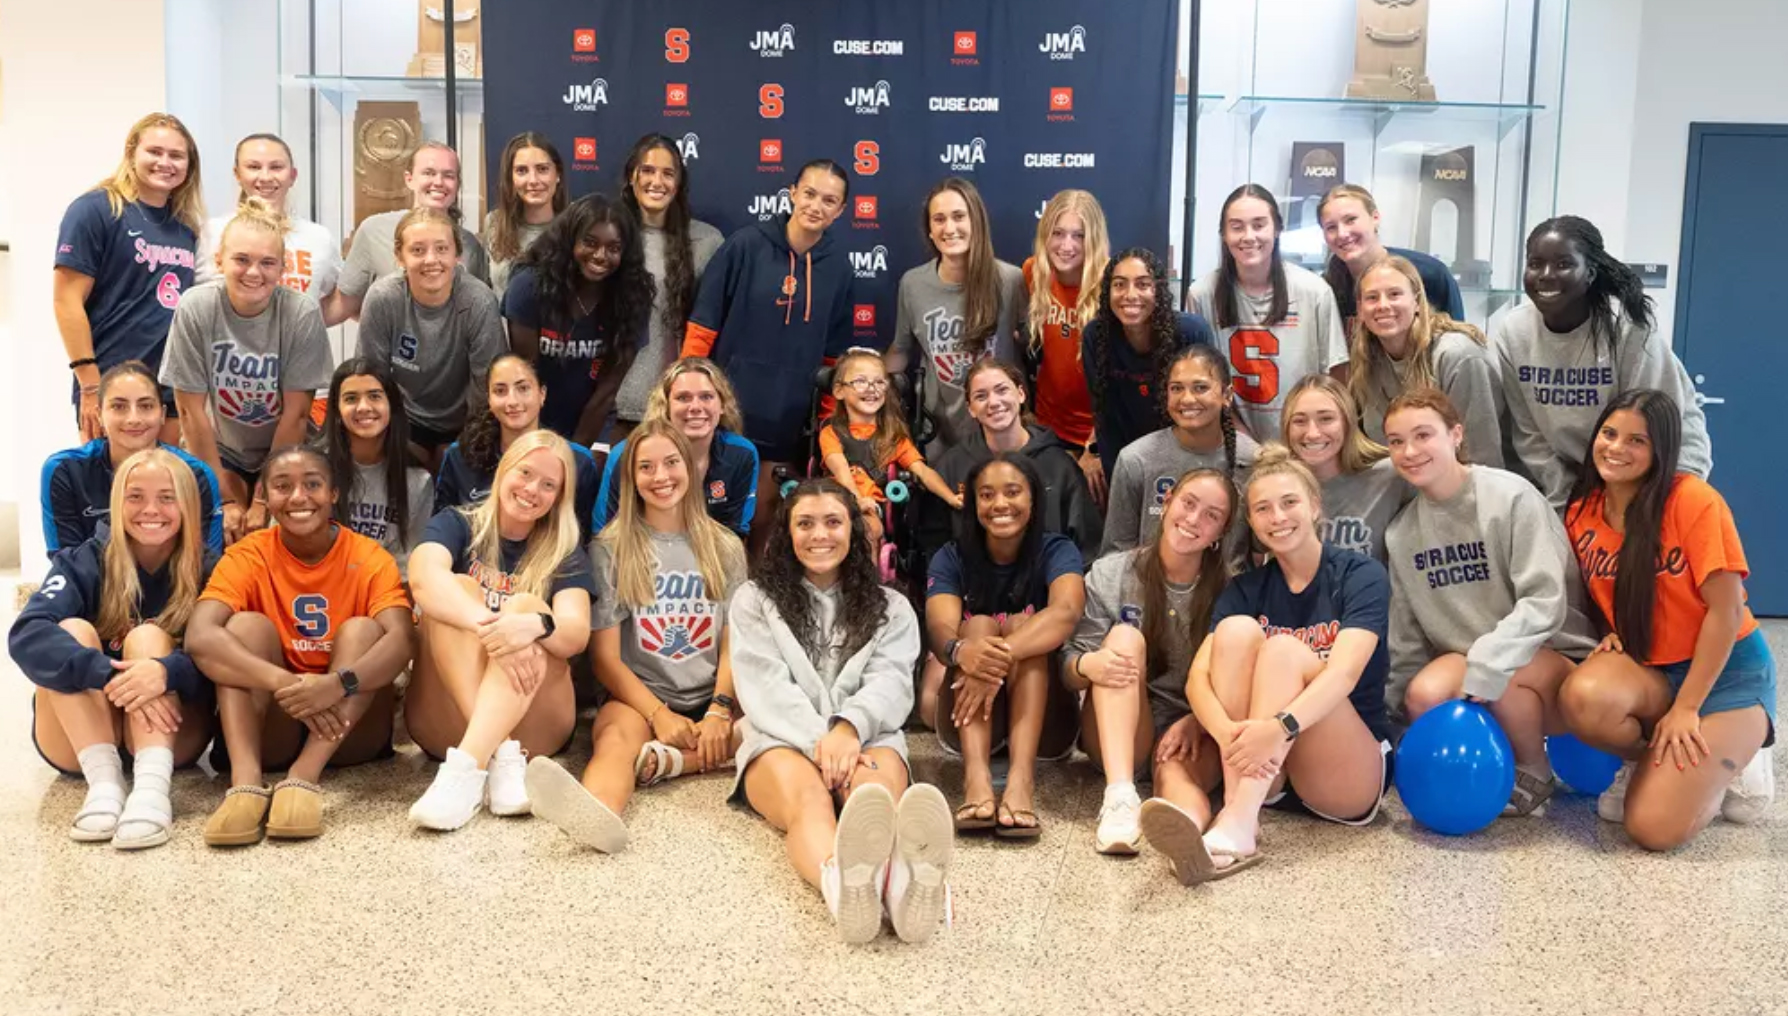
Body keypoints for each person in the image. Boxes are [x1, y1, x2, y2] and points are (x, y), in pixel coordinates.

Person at [728, 478, 955, 945]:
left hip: (868, 737)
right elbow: (764, 687)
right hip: (781, 739)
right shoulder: (754, 600)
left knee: (872, 797)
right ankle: (844, 888)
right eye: (805, 524)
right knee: (809, 800)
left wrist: (849, 728)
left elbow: (891, 682)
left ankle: (897, 891)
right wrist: (821, 740)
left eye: (833, 522)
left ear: (853, 531)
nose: (819, 535)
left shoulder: (892, 606)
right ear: (786, 534)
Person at [1560, 389, 1775, 850]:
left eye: (1637, 441)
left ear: (1661, 451)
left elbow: (1727, 609)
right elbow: (1598, 592)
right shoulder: (1581, 514)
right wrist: (1610, 633)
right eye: (1610, 433)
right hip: (1653, 669)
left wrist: (1688, 709)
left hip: (1725, 675)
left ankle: (1743, 757)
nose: (1617, 448)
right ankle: (1650, 761)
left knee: (1651, 830)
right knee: (1583, 697)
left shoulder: (1694, 501)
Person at [524, 422, 747, 852]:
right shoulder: (610, 547)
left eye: (670, 463)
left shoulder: (726, 547)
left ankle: (674, 762)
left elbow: (732, 641)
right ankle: (594, 813)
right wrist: (659, 714)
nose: (660, 476)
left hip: (713, 696)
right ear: (630, 478)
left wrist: (720, 708)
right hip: (639, 696)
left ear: (692, 468)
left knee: (772, 730)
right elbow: (606, 659)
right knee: (613, 742)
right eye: (646, 467)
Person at [1178, 444, 1394, 879]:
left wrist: (1278, 729)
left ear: (1314, 506)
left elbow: (1345, 673)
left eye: (1289, 502)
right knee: (1238, 631)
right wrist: (1231, 736)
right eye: (1263, 509)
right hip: (1266, 774)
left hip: (1345, 773)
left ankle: (1237, 821)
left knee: (1284, 651)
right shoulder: (1245, 590)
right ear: (1253, 524)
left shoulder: (1360, 575)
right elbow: (1196, 681)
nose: (1278, 517)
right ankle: (1245, 814)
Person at [185, 446, 414, 846]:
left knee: (363, 629)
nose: (298, 497)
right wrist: (285, 682)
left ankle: (303, 778)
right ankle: (245, 784)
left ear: (334, 494)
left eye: (312, 484)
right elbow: (199, 636)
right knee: (244, 627)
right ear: (266, 497)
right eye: (282, 486)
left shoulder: (369, 556)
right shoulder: (247, 555)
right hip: (273, 722)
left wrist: (336, 684)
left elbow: (402, 640)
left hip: (347, 728)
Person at [1383, 389, 1597, 817]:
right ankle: (1482, 777)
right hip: (1470, 656)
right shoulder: (1401, 532)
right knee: (1423, 694)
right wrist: (1395, 723)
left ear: (1456, 434)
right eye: (1395, 441)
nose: (1409, 451)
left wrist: (1489, 661)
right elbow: (1405, 637)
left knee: (1505, 672)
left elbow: (1544, 602)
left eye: (1423, 435)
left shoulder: (1511, 497)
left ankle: (1534, 770)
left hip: (1548, 655)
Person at [10, 449, 218, 849]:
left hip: (172, 741)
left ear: (189, 505)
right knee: (70, 629)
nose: (150, 509)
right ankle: (104, 784)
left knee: (149, 639)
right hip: (80, 741)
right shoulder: (83, 561)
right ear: (116, 502)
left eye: (167, 497)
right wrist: (107, 672)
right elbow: (27, 634)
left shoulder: (210, 569)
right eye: (135, 496)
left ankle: (152, 792)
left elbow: (230, 654)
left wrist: (166, 672)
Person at [405, 431, 595, 831]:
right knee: (456, 590)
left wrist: (530, 626)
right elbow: (422, 579)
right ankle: (497, 755)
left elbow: (576, 633)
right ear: (504, 470)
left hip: (536, 731)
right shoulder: (457, 523)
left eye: (548, 485)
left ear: (559, 498)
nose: (532, 490)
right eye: (525, 473)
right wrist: (494, 629)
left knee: (529, 608)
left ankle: (464, 771)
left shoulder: (564, 549)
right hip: (444, 721)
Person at [681, 158, 855, 554]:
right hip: (727, 411)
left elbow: (834, 357)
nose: (816, 206)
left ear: (841, 210)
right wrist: (687, 390)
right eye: (809, 194)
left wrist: (827, 414)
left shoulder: (839, 269)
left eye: (829, 200)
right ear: (792, 193)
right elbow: (703, 325)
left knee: (766, 521)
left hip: (790, 419)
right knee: (712, 516)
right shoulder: (745, 245)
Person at [1068, 468, 1235, 859]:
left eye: (1211, 515)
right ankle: (1120, 798)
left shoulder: (1231, 588)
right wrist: (1086, 666)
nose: (1194, 520)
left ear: (1222, 532)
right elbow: (1068, 663)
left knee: (1176, 778)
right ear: (1167, 501)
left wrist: (1199, 716)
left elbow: (1234, 677)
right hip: (1120, 725)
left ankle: (1190, 841)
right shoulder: (1112, 573)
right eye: (1188, 503)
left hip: (1192, 731)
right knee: (1124, 637)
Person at [1495, 215, 1712, 510]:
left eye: (1563, 264)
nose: (1546, 274)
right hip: (1582, 480)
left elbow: (1658, 425)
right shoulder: (1513, 332)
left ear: (1590, 273)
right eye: (1535, 263)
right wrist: (1568, 504)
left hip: (1661, 470)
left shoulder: (1629, 328)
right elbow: (1530, 436)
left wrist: (1629, 507)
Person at [927, 453, 1086, 838]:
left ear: (1033, 500)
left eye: (1013, 492)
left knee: (1025, 625)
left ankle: (1021, 781)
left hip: (1047, 725)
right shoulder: (952, 556)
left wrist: (995, 658)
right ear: (973, 503)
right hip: (963, 718)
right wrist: (966, 651)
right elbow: (939, 627)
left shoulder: (1057, 549)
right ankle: (976, 778)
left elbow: (1066, 611)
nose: (1000, 504)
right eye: (986, 495)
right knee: (978, 625)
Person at [161, 198, 333, 542]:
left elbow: (296, 416)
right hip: (219, 448)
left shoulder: (300, 313)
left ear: (283, 268)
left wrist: (263, 498)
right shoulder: (196, 307)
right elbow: (190, 411)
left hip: (287, 447)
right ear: (219, 260)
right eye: (242, 260)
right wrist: (224, 497)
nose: (254, 273)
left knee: (275, 531)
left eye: (268, 263)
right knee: (220, 531)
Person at [54, 112, 202, 441]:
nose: (165, 162)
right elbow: (66, 300)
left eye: (177, 156)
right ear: (132, 151)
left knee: (166, 488)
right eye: (155, 151)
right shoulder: (96, 210)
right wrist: (90, 384)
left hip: (169, 386)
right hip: (111, 382)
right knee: (115, 487)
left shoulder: (186, 228)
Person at [1187, 184, 1347, 442]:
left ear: (1277, 229)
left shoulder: (1314, 291)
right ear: (1224, 235)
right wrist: (1243, 442)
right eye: (1237, 227)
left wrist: (1313, 435)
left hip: (1304, 443)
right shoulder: (1202, 294)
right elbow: (1201, 383)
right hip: (1233, 443)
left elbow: (1336, 377)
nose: (1248, 236)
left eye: (1259, 225)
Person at [356, 207, 508, 470]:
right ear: (399, 257)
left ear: (456, 255)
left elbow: (488, 387)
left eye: (441, 249)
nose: (431, 259)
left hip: (464, 423)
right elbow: (370, 380)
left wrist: (461, 445)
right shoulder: (383, 298)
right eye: (417, 250)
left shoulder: (478, 302)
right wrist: (393, 439)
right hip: (402, 420)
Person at [886, 177, 1026, 454]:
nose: (949, 228)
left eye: (959, 216)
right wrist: (864, 375)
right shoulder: (913, 283)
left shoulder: (1010, 280)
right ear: (929, 229)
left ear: (976, 221)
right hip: (940, 435)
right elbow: (901, 350)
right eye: (939, 219)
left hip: (1001, 431)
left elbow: (1033, 347)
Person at [504, 193, 655, 443]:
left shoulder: (633, 299)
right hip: (530, 415)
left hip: (593, 418)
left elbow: (607, 391)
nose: (600, 255)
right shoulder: (529, 286)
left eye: (614, 248)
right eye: (590, 243)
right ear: (570, 241)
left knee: (586, 473)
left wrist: (576, 453)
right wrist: (538, 442)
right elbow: (524, 378)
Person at [925, 358, 1102, 562]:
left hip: (1051, 584)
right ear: (970, 408)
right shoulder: (951, 466)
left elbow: (1088, 548)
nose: (993, 402)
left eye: (1002, 390)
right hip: (974, 585)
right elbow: (935, 547)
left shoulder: (1059, 465)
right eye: (981, 396)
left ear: (1021, 394)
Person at [42, 360, 223, 553]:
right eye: (119, 407)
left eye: (145, 406)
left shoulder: (196, 475)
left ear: (162, 414)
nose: (133, 419)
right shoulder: (65, 471)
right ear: (99, 415)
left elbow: (205, 563)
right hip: (92, 582)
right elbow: (64, 562)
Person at [613, 134, 726, 437]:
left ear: (679, 183)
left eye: (668, 173)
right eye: (647, 170)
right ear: (631, 177)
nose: (657, 181)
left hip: (676, 410)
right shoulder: (608, 233)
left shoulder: (707, 242)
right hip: (609, 410)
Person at [1103, 344, 1258, 555]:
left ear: (1227, 395)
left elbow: (1261, 545)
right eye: (1176, 388)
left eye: (1200, 387)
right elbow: (1115, 552)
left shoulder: (1254, 460)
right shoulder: (1136, 459)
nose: (1187, 399)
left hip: (1231, 586)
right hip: (1151, 585)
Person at [1347, 255, 1502, 464]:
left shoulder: (1458, 355)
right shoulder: (1366, 358)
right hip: (1409, 485)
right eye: (1372, 297)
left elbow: (1482, 459)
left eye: (1394, 294)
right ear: (1360, 309)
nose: (1383, 305)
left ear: (1418, 302)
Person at [1083, 247, 1216, 480]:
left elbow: (1206, 409)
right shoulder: (1096, 336)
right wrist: (1118, 477)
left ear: (1159, 291)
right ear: (1107, 291)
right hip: (1126, 459)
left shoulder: (1190, 332)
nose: (1130, 294)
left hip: (1186, 456)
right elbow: (1105, 417)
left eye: (1143, 284)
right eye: (1119, 284)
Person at [435, 354, 601, 542]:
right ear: (489, 399)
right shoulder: (460, 455)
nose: (512, 401)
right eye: (500, 391)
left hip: (548, 566)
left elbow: (581, 541)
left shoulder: (578, 462)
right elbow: (441, 531)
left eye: (523, 388)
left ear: (542, 394)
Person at [594, 357, 759, 538]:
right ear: (666, 407)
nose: (695, 407)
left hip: (710, 557)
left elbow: (734, 535)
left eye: (706, 397)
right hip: (638, 555)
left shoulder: (742, 454)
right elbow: (604, 535)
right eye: (683, 398)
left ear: (722, 405)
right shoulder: (626, 454)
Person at [328, 142, 491, 321]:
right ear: (409, 179)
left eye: (448, 175)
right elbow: (344, 305)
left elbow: (478, 313)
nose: (438, 182)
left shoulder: (470, 245)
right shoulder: (374, 231)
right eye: (429, 173)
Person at [820, 349, 962, 554]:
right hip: (836, 499)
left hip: (873, 506)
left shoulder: (893, 438)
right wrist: (856, 500)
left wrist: (951, 497)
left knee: (867, 529)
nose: (872, 389)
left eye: (879, 382)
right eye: (860, 381)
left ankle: (868, 585)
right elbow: (840, 469)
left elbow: (923, 472)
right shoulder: (831, 432)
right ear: (839, 390)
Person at [196, 133, 345, 323]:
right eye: (253, 167)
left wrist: (308, 326)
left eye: (276, 167)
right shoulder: (210, 233)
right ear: (237, 174)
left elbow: (341, 298)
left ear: (292, 176)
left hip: (295, 351)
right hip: (224, 350)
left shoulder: (319, 238)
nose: (265, 176)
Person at [1024, 189, 1111, 505]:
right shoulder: (1033, 273)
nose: (1067, 245)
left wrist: (1094, 447)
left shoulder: (1111, 286)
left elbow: (1118, 380)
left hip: (1095, 433)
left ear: (1094, 239)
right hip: (1047, 429)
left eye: (1079, 235)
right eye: (1058, 233)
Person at [317, 359, 433, 574]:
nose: (363, 407)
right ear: (337, 412)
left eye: (375, 396)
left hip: (383, 592)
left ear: (392, 406)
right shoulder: (312, 471)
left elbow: (409, 568)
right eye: (351, 398)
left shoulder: (417, 480)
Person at [1281, 374, 1409, 564]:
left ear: (1347, 423)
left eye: (1326, 419)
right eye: (1300, 421)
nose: (1313, 433)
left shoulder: (1391, 476)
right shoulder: (1277, 489)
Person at [1318, 183, 1465, 327]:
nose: (1342, 234)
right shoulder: (1327, 288)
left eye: (1351, 220)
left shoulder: (1431, 274)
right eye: (1331, 227)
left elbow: (1458, 341)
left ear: (1375, 218)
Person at [483, 132, 566, 299]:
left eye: (542, 169)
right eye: (522, 171)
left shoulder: (576, 225)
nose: (533, 180)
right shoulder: (494, 222)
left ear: (557, 175)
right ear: (511, 178)